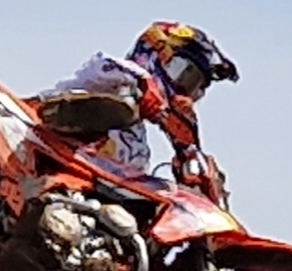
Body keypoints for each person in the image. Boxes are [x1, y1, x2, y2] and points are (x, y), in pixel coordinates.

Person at [35, 23, 239, 188]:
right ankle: (69, 123)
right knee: (122, 106)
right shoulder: (113, 81)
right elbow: (103, 64)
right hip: (37, 138)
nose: (186, 91)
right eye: (184, 73)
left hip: (90, 189)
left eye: (194, 86)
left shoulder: (137, 145)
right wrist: (142, 83)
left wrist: (189, 158)